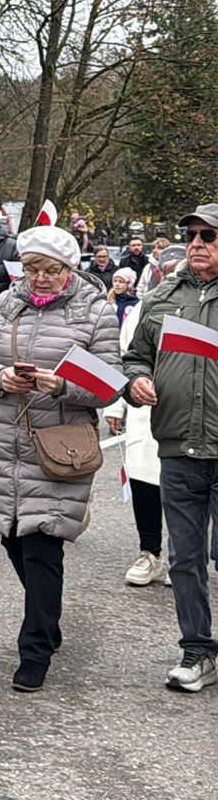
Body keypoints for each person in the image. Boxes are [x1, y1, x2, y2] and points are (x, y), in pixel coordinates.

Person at [0, 226, 120, 691]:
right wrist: (0, 376)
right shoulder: (5, 303)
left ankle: (34, 651)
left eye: (52, 270)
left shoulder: (95, 312)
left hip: (59, 447)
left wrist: (63, 386)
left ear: (69, 270)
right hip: (4, 443)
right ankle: (47, 625)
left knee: (41, 543)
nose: (41, 278)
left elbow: (108, 383)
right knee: (13, 538)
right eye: (33, 269)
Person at [121, 202, 218, 694]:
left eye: (209, 236)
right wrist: (135, 381)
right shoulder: (163, 294)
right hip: (179, 443)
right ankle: (197, 650)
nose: (198, 244)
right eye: (192, 236)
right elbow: (135, 355)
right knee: (184, 558)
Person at [105, 284, 168, 589]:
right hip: (146, 405)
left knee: (194, 488)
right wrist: (116, 406)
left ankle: (185, 556)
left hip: (201, 410)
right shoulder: (150, 305)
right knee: (144, 478)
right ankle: (150, 552)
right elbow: (126, 356)